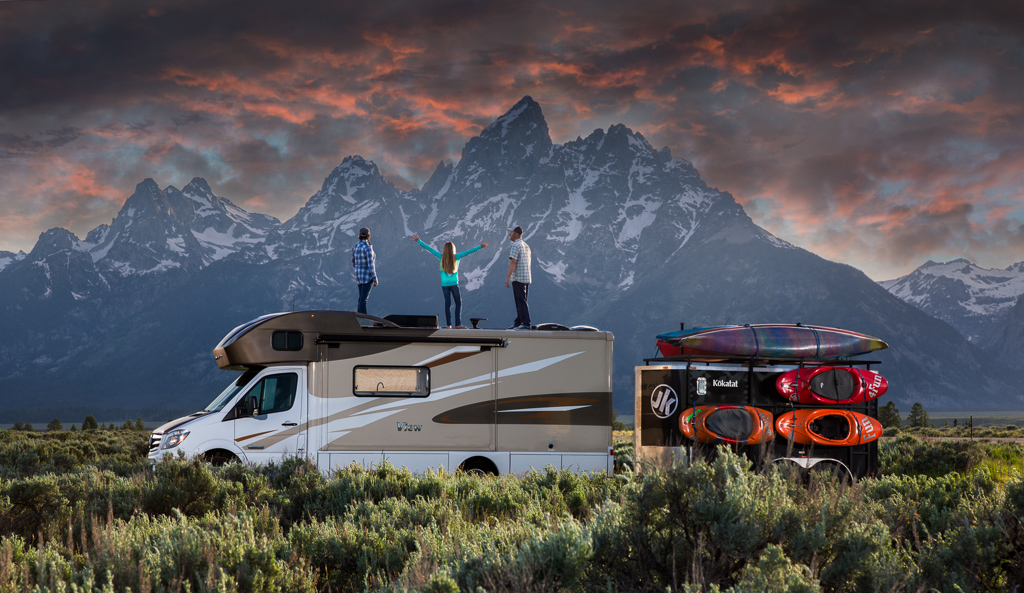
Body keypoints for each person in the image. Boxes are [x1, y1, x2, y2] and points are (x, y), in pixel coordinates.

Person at [412, 234, 488, 328]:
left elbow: (430, 249)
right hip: (454, 285)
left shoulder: (440, 257)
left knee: (447, 304)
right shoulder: (457, 257)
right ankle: (458, 324)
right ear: (453, 249)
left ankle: (449, 325)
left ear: (444, 249)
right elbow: (469, 251)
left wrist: (419, 241)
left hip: (444, 285)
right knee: (458, 303)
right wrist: (481, 246)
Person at [504, 225, 532, 329]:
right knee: (522, 300)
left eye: (511, 232)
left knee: (520, 301)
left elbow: (513, 261)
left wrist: (507, 278)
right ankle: (519, 321)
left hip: (518, 277)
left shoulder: (515, 246)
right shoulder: (526, 245)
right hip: (526, 277)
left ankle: (525, 323)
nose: (509, 234)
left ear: (516, 234)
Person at [351, 227, 377, 314]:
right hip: (367, 276)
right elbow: (371, 265)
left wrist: (357, 271)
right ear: (368, 236)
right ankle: (363, 319)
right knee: (364, 299)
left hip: (358, 276)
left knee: (360, 298)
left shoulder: (355, 247)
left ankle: (359, 317)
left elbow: (353, 262)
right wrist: (375, 279)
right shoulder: (368, 248)